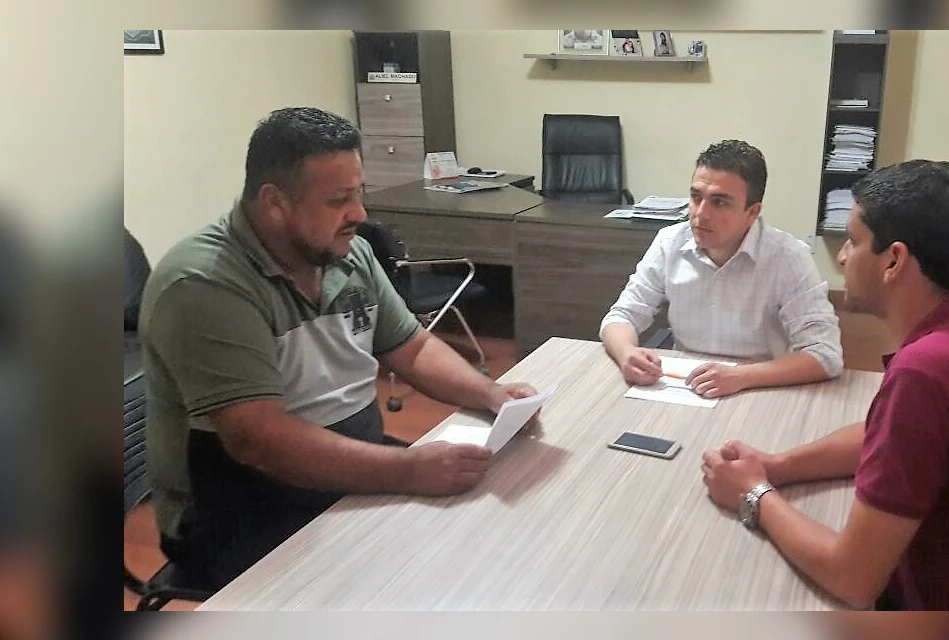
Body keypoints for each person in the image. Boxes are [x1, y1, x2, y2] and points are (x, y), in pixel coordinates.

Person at [140, 107, 538, 588]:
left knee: (483, 533)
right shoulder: (204, 284)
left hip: (346, 466)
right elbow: (257, 439)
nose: (360, 215)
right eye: (339, 200)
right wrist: (409, 470)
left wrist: (490, 394)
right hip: (238, 505)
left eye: (359, 194)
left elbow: (411, 347)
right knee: (408, 579)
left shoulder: (346, 252)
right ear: (274, 203)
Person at [700, 159, 949, 610]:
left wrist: (754, 495)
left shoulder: (929, 371)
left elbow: (852, 577)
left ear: (893, 260)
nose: (842, 257)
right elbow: (884, 437)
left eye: (853, 241)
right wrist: (777, 466)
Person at [600, 140, 842, 399]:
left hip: (758, 389)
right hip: (685, 387)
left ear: (752, 212)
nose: (700, 214)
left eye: (720, 202)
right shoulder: (669, 243)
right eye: (696, 197)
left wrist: (741, 377)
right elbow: (621, 316)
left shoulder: (788, 257)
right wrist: (627, 353)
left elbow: (825, 354)